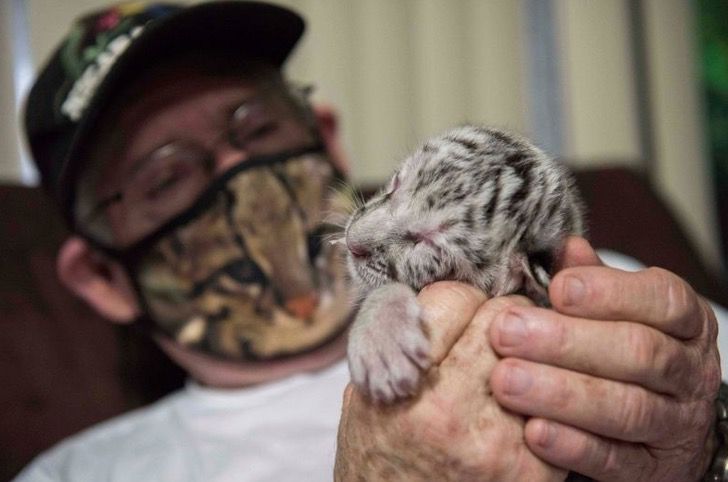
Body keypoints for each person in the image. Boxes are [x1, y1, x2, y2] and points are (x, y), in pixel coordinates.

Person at [14, 1, 728, 481]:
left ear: (325, 139)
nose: (243, 181)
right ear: (100, 277)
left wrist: (705, 447)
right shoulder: (82, 473)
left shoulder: (607, 290)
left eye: (255, 129)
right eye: (165, 178)